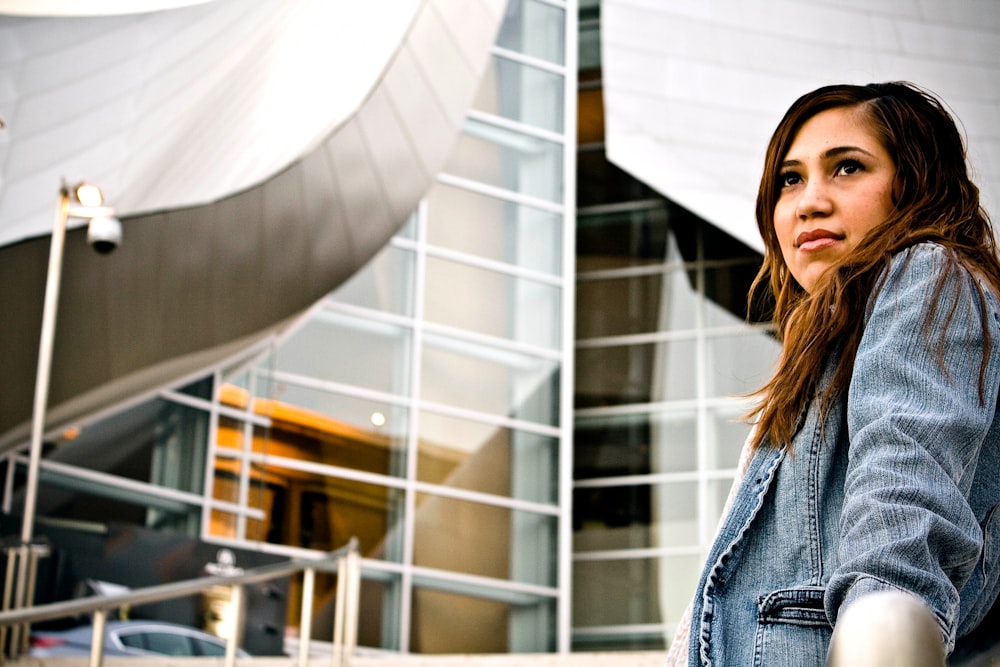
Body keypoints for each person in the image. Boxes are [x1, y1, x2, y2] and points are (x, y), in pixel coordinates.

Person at [664, 81, 1000, 666]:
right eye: (790, 179)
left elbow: (903, 498)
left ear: (916, 184)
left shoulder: (928, 274)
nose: (809, 202)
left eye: (847, 168)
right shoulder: (826, 351)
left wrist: (884, 623)